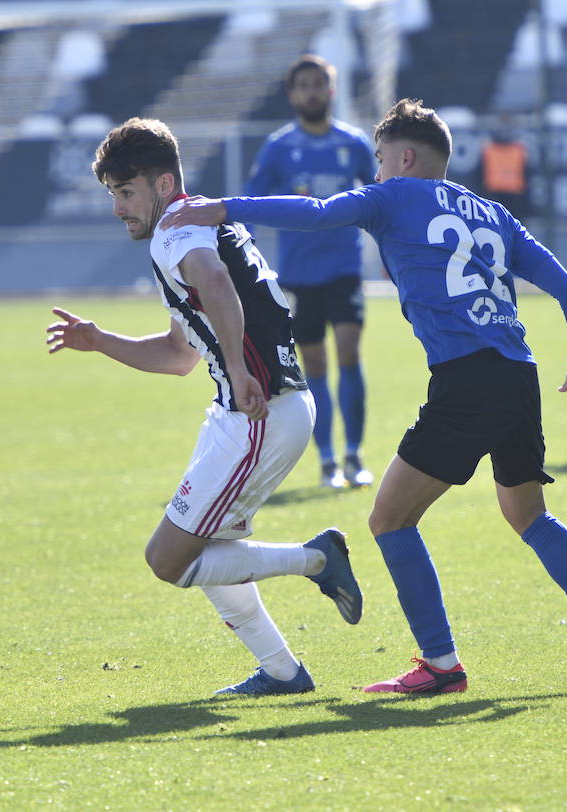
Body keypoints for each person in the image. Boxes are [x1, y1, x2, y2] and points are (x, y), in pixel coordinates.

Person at [163, 99, 567, 693]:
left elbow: (317, 213)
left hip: (464, 377)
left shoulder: (393, 196)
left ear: (403, 158)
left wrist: (223, 208)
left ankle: (441, 666)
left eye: (379, 160)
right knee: (530, 516)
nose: (375, 174)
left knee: (390, 518)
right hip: (517, 374)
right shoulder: (496, 215)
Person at [46, 117, 363, 697]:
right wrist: (100, 341)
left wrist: (241, 372)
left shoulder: (176, 229)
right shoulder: (199, 224)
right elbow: (177, 354)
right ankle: (282, 672)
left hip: (259, 413)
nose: (118, 208)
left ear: (164, 184)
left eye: (125, 192)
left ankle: (316, 559)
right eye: (112, 194)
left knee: (168, 559)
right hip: (248, 412)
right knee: (210, 547)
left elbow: (215, 282)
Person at [245, 55, 379, 489]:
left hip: (343, 268)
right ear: (292, 94)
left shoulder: (355, 143)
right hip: (298, 275)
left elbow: (381, 193)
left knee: (350, 353)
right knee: (315, 364)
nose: (312, 92)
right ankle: (326, 462)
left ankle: (355, 456)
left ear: (332, 89)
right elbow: (251, 202)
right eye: (303, 85)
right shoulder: (279, 147)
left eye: (319, 84)